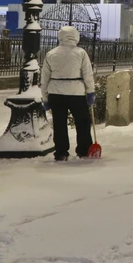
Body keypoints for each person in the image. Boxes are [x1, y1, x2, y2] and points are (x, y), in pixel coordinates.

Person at [41, 25, 96, 161]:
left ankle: (61, 152)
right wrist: (90, 92)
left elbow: (45, 78)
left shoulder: (51, 54)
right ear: (76, 36)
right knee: (82, 122)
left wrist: (45, 97)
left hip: (56, 93)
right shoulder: (81, 53)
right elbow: (87, 74)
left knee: (59, 123)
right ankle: (83, 150)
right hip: (76, 92)